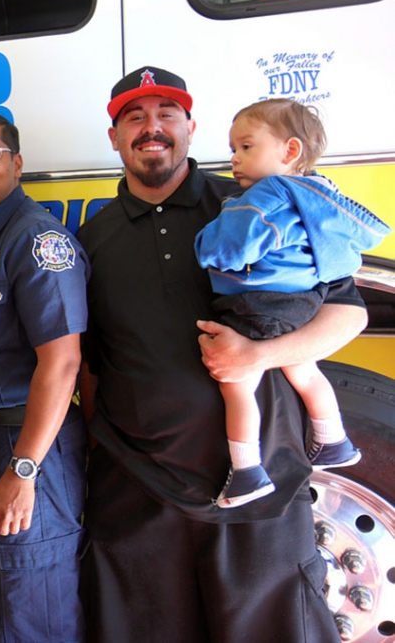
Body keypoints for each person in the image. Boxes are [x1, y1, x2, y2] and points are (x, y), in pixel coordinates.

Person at [76, 66, 368, 642]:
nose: (151, 127)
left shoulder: (259, 204)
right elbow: (86, 365)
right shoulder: (91, 238)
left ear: (191, 127)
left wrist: (260, 354)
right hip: (136, 489)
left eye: (166, 114)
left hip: (261, 482)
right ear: (114, 137)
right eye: (134, 116)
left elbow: (349, 313)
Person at [194, 99, 391, 508]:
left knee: (237, 385)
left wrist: (205, 245)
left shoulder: (264, 195)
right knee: (303, 369)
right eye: (234, 148)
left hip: (259, 304)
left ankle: (247, 472)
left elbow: (229, 249)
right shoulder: (319, 192)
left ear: (290, 150)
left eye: (246, 147)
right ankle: (333, 440)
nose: (233, 159)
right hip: (303, 303)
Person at [0, 108, 90, 641]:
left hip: (25, 446)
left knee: (33, 604)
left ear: (17, 162)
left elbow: (63, 361)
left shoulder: (37, 241)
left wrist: (23, 470)